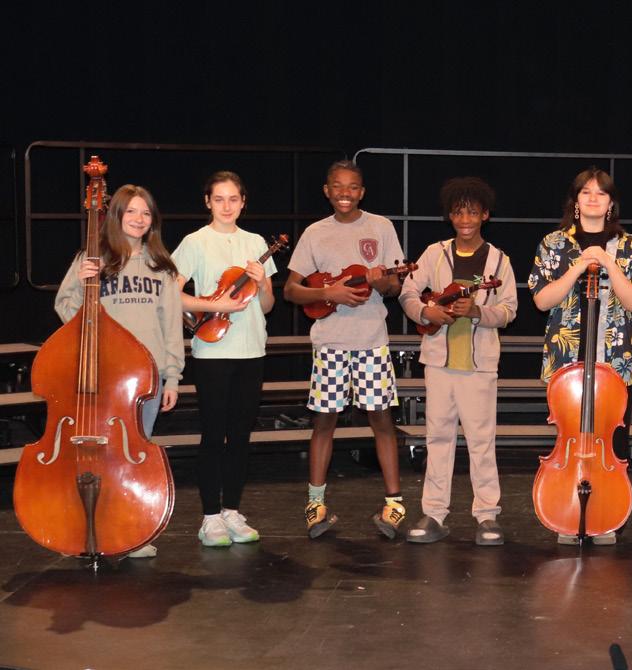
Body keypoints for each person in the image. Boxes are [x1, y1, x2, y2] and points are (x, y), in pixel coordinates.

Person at [54, 184, 184, 559]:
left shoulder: (162, 266)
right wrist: (82, 283)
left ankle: (130, 534)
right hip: (103, 375)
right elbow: (67, 312)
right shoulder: (93, 258)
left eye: (146, 213)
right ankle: (87, 529)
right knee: (97, 457)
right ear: (116, 215)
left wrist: (172, 376)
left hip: (146, 379)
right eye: (132, 212)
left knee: (132, 458)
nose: (139, 219)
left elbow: (171, 326)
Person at [527, 167, 632, 545]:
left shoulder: (629, 246)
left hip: (615, 360)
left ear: (611, 202)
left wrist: (609, 264)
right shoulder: (554, 243)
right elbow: (541, 300)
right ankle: (566, 513)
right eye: (586, 192)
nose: (593, 198)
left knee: (614, 442)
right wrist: (579, 267)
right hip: (567, 359)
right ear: (576, 200)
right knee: (569, 440)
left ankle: (609, 516)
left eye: (601, 193)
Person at [283, 160, 406, 540]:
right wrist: (328, 293)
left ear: (362, 192)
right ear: (327, 190)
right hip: (330, 344)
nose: (345, 193)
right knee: (324, 422)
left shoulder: (381, 227)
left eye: (353, 187)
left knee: (382, 421)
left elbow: (395, 287)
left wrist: (383, 282)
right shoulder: (315, 233)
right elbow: (291, 290)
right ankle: (315, 503)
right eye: (338, 186)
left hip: (371, 341)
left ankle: (395, 503)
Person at [399, 177, 517, 546]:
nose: (465, 219)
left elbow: (509, 309)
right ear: (449, 216)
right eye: (458, 212)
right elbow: (407, 292)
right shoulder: (434, 254)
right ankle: (434, 513)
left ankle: (487, 515)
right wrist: (426, 312)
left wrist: (479, 311)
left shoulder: (499, 260)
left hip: (479, 366)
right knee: (437, 438)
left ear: (485, 215)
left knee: (482, 441)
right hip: (439, 363)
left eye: (472, 212)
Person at [171, 171, 276, 548]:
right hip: (213, 349)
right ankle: (210, 517)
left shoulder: (256, 242)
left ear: (243, 202)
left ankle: (232, 510)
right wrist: (212, 304)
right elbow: (172, 293)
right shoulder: (194, 241)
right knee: (214, 434)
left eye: (233, 199)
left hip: (252, 349)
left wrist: (261, 283)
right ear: (208, 202)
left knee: (241, 436)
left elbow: (268, 305)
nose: (226, 206)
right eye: (219, 199)